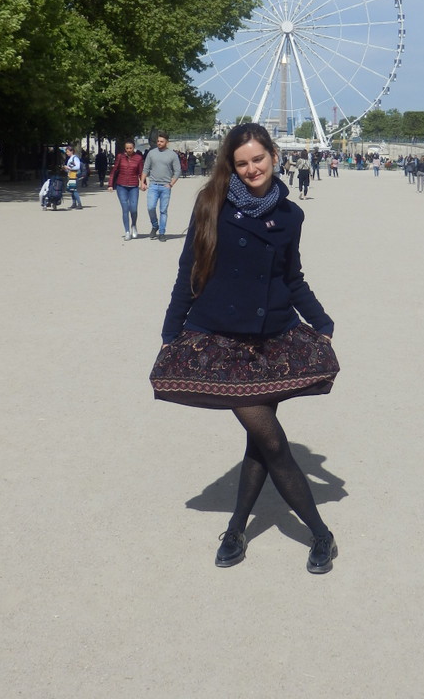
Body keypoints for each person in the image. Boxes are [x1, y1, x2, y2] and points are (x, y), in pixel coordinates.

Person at [149, 123, 340, 574]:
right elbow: (189, 270)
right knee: (270, 438)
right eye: (242, 163)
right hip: (222, 339)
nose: (252, 168)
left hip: (273, 336)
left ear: (273, 155)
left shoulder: (291, 215)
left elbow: (291, 277)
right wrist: (171, 332)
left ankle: (236, 528)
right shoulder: (211, 203)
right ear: (230, 166)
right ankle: (320, 532)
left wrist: (321, 321)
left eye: (258, 159)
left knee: (260, 441)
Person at [141, 133, 180, 240]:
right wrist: (142, 182)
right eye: (158, 141)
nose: (159, 143)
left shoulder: (172, 155)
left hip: (165, 186)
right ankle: (155, 225)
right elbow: (145, 168)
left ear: (167, 142)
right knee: (150, 207)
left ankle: (162, 232)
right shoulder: (151, 153)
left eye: (161, 141)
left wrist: (171, 184)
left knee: (163, 210)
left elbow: (177, 171)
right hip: (153, 185)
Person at [108, 139, 144, 240]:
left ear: (134, 148)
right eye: (127, 148)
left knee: (134, 209)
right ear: (125, 148)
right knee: (125, 209)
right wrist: (110, 184)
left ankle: (134, 225)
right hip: (121, 186)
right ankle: (127, 231)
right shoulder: (120, 157)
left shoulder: (138, 158)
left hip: (133, 186)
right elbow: (114, 170)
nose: (129, 150)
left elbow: (141, 172)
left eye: (130, 148)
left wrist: (143, 183)